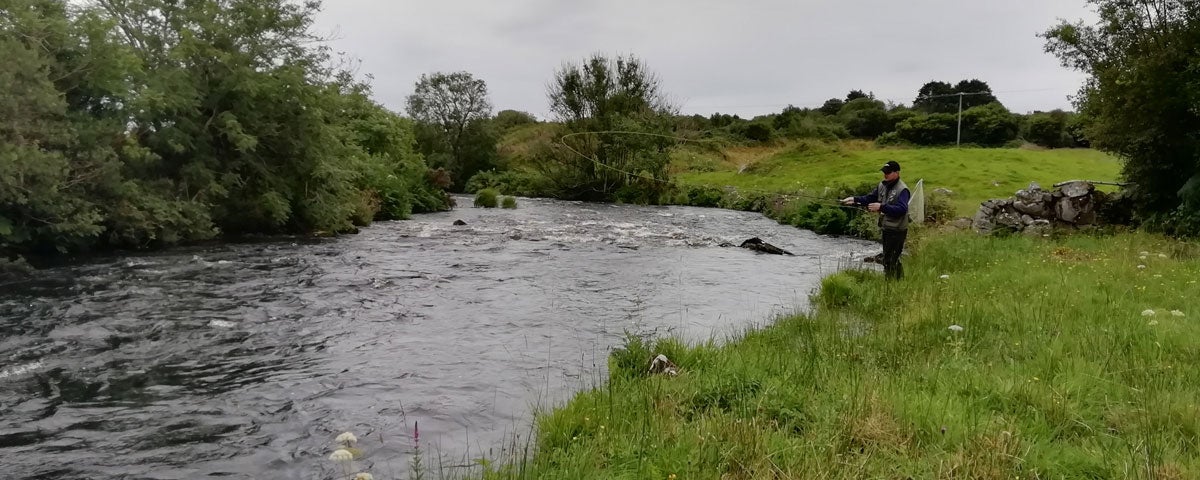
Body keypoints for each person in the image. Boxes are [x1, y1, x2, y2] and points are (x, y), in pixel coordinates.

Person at [842, 160, 910, 279]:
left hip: (898, 230)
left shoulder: (903, 189)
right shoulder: (882, 185)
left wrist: (881, 207)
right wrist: (854, 199)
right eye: (884, 172)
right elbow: (870, 198)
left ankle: (892, 283)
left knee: (891, 259)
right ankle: (897, 282)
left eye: (888, 172)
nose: (885, 174)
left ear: (897, 173)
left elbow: (902, 209)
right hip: (886, 228)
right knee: (889, 258)